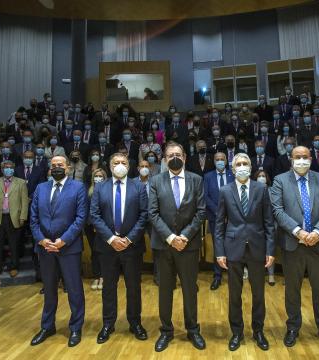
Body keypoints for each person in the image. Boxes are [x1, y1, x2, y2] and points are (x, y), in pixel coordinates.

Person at [269, 146, 319, 348]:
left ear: (311, 159)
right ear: (290, 159)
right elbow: (277, 210)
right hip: (293, 245)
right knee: (292, 290)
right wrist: (298, 231)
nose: (301, 160)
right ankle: (293, 327)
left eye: (304, 157)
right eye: (297, 157)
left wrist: (318, 232)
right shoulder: (280, 181)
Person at [149, 142, 206, 352]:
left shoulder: (196, 180)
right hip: (164, 246)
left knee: (190, 290)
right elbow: (152, 213)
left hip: (188, 245)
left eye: (178, 154)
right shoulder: (156, 181)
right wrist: (171, 237)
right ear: (164, 159)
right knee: (165, 290)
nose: (175, 157)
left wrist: (184, 236)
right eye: (170, 155)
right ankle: (166, 331)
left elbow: (201, 212)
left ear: (184, 157)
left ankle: (193, 330)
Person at [214, 153, 275, 351]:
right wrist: (220, 252)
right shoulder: (225, 191)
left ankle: (258, 331)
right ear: (233, 169)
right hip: (233, 248)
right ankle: (237, 332)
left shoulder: (261, 189)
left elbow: (268, 223)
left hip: (257, 247)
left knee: (258, 294)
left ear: (251, 167)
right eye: (238, 164)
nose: (242, 166)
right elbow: (219, 225)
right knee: (234, 294)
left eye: (245, 163)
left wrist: (270, 250)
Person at [90, 153, 149, 344]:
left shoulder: (138, 187)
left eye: (124, 162)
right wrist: (111, 238)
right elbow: (95, 215)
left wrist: (129, 239)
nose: (120, 165)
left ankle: (135, 323)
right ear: (109, 165)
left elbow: (144, 215)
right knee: (108, 287)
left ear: (129, 165)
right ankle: (108, 323)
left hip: (132, 247)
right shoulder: (100, 188)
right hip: (107, 247)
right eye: (116, 162)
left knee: (134, 287)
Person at [30, 155, 88, 347]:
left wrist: (63, 240)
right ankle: (47, 326)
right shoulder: (40, 188)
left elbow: (80, 218)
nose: (56, 168)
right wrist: (42, 240)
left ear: (68, 168)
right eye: (53, 165)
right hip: (46, 248)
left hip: (69, 248)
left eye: (60, 165)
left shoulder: (78, 188)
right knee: (49, 290)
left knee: (74, 290)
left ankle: (75, 328)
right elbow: (34, 219)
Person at [0, 160, 29, 280]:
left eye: (11, 167)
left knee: (14, 244)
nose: (8, 169)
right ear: (2, 169)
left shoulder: (21, 182)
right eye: (6, 167)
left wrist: (23, 217)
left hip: (13, 217)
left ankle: (14, 267)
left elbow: (24, 202)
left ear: (14, 169)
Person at [204, 152, 234, 290]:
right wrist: (219, 213)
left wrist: (229, 213)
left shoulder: (232, 175)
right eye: (217, 159)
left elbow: (236, 195)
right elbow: (206, 197)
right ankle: (217, 276)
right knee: (218, 246)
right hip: (215, 217)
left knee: (233, 245)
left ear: (227, 161)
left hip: (233, 218)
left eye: (222, 159)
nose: (220, 161)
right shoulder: (208, 176)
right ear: (214, 161)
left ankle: (234, 275)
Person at [86, 168, 107, 291]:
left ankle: (104, 276)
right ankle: (96, 276)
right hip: (90, 226)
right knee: (94, 252)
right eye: (96, 176)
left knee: (103, 252)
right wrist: (92, 224)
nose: (98, 178)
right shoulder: (88, 190)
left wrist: (98, 225)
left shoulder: (108, 190)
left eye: (100, 176)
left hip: (104, 227)